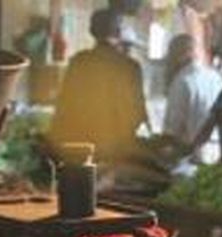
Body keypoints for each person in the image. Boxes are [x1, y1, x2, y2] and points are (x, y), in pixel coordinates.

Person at [48, 9, 148, 165]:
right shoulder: (130, 67)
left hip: (81, 149)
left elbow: (63, 107)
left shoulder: (79, 62)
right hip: (119, 153)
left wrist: (54, 145)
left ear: (91, 31)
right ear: (119, 32)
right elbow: (138, 112)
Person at [162, 34, 222, 163]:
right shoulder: (216, 77)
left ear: (177, 55)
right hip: (219, 152)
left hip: (192, 155)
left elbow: (173, 128)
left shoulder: (181, 81)